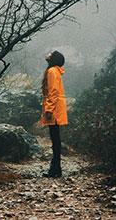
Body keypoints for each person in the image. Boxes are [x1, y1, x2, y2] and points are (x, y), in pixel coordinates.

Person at [40, 50, 68, 178]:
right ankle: (56, 169)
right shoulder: (56, 71)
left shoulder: (51, 71)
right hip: (57, 108)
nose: (48, 54)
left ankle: (55, 170)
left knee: (55, 139)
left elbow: (53, 92)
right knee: (56, 139)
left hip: (54, 110)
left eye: (51, 54)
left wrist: (49, 110)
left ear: (54, 59)